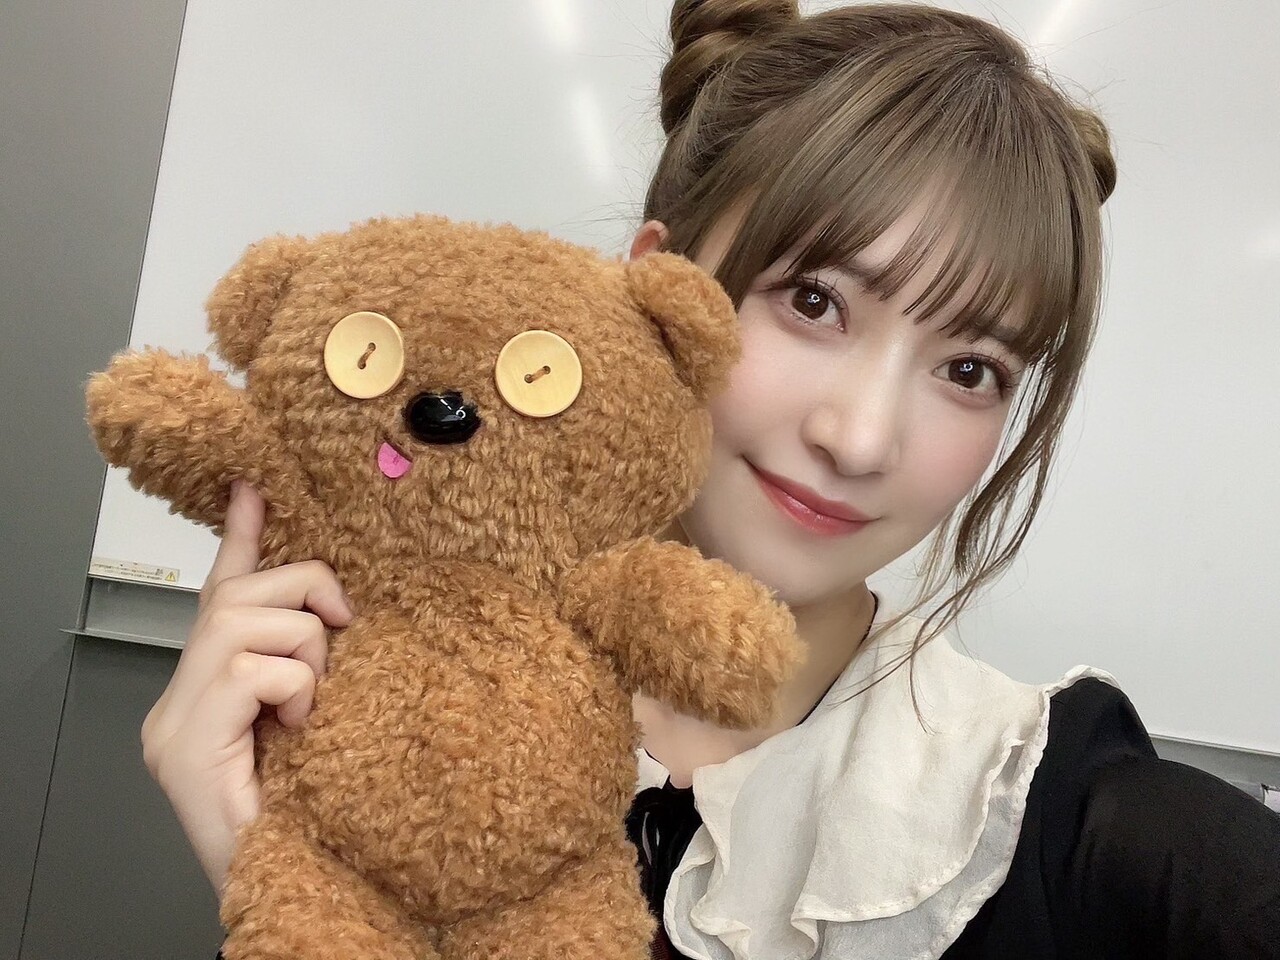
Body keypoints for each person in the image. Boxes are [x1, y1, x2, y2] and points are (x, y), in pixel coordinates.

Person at [143, 2, 1280, 957]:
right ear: (658, 296)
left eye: (970, 368)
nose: (860, 438)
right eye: (815, 301)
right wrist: (269, 865)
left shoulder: (1055, 812)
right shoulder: (361, 695)